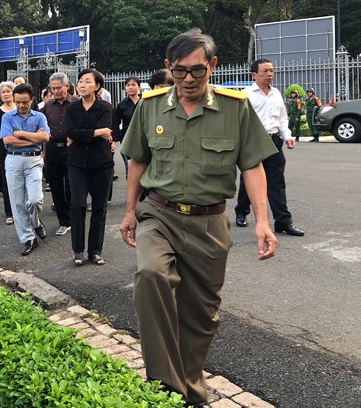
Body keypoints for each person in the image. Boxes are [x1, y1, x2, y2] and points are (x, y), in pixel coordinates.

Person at [119, 29, 279, 407]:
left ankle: (190, 388)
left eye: (197, 71)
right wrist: (129, 211)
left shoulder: (234, 107)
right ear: (167, 68)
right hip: (159, 212)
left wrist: (262, 220)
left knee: (201, 315)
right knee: (151, 275)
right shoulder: (151, 105)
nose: (188, 80)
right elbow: (138, 160)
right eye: (179, 71)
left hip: (210, 222)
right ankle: (165, 387)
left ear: (213, 66)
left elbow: (253, 165)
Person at [234, 59, 304, 236]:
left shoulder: (276, 93)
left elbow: (282, 119)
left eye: (272, 71)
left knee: (277, 182)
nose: (269, 74)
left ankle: (283, 221)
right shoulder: (246, 94)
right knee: (249, 180)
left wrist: (287, 136)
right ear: (254, 74)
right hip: (253, 142)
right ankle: (241, 212)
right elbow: (239, 121)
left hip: (273, 142)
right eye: (265, 71)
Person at [65, 69, 118, 265]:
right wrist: (97, 132)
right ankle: (78, 250)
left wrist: (81, 134)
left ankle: (95, 251)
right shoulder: (71, 109)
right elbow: (69, 131)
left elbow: (105, 129)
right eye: (80, 81)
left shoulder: (105, 108)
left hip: (101, 163)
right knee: (77, 204)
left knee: (99, 208)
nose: (82, 85)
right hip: (77, 163)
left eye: (87, 81)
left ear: (97, 87)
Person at [0, 83, 50, 256]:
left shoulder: (39, 117)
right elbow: (7, 140)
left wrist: (21, 134)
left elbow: (45, 137)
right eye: (18, 102)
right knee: (17, 202)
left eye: (25, 102)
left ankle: (35, 222)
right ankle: (28, 238)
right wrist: (34, 140)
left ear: (31, 100)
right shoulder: (7, 117)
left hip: (34, 160)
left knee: (35, 199)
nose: (21, 105)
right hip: (13, 160)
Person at [40, 72, 76, 236]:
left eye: (59, 87)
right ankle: (64, 221)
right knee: (55, 186)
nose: (55, 91)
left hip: (72, 149)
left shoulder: (77, 103)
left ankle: (74, 218)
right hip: (53, 149)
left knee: (71, 186)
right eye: (53, 88)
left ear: (67, 86)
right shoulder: (47, 107)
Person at [0, 82, 16, 225]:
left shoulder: (20, 108)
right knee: (6, 181)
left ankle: (22, 209)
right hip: (3, 150)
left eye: (9, 91)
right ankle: (10, 212)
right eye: (4, 92)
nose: (6, 94)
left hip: (21, 148)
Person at [114, 76, 141, 177]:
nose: (130, 87)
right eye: (128, 85)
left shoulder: (145, 102)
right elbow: (115, 123)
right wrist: (114, 141)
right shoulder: (122, 105)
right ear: (125, 88)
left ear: (139, 87)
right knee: (130, 170)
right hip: (127, 140)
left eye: (133, 85)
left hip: (144, 140)